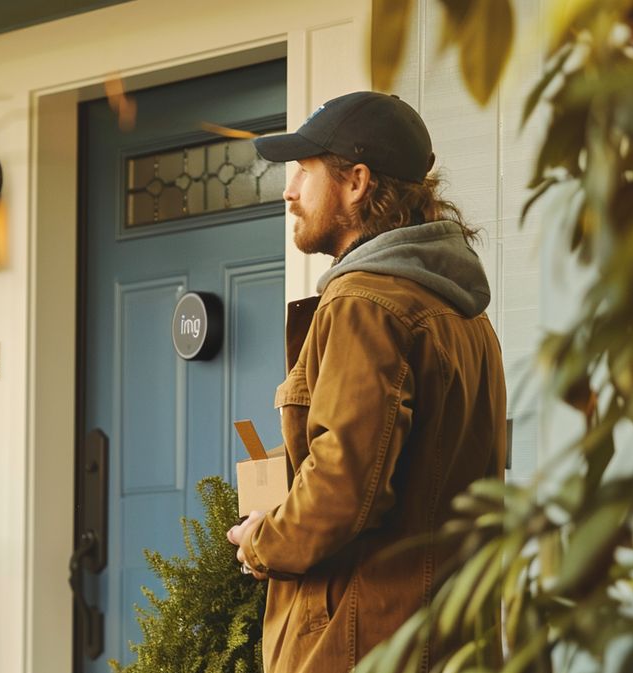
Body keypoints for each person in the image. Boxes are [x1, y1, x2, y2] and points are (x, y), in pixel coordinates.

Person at [225, 91, 507, 672]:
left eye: (305, 170)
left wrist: (261, 541)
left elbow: (344, 485)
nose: (290, 190)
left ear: (356, 182)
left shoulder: (364, 304)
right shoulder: (467, 319)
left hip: (364, 643)